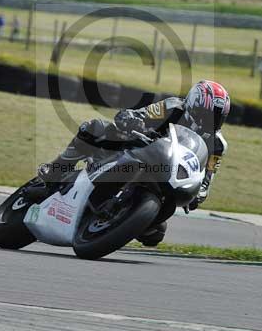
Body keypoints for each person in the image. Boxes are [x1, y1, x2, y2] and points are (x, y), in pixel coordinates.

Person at [26, 80, 230, 245]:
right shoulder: (173, 106)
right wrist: (133, 120)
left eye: (218, 117)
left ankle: (119, 220)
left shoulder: (218, 144)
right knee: (94, 128)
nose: (211, 120)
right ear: (193, 104)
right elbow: (143, 114)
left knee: (155, 233)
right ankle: (55, 171)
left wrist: (198, 194)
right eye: (209, 114)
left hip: (168, 176)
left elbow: (207, 178)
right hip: (142, 149)